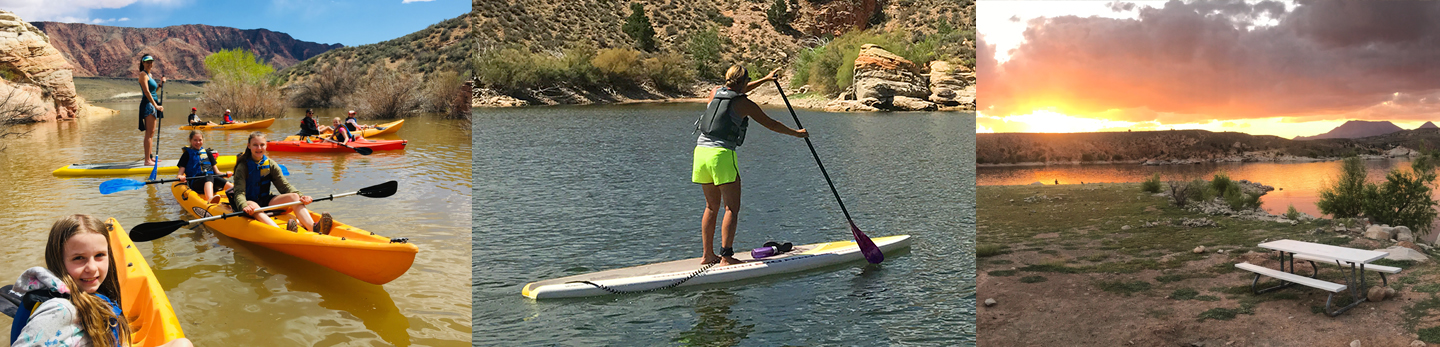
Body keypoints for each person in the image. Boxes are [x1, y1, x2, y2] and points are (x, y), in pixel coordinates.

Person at [10, 214, 193, 347]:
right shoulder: (60, 310)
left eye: (99, 255)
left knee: (182, 344)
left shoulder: (88, 294)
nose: (92, 268)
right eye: (78, 258)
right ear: (59, 260)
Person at [692, 65, 807, 266]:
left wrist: (766, 79)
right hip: (721, 155)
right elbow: (771, 124)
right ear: (744, 82)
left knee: (711, 206)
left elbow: (737, 89)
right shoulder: (745, 104)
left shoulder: (714, 93)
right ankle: (726, 257)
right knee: (731, 208)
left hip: (700, 153)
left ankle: (707, 256)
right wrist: (797, 133)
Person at [232, 132, 334, 234]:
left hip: (266, 201)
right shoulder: (242, 167)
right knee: (255, 207)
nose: (259, 148)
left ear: (266, 146)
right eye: (255, 145)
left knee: (294, 197)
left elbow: (284, 186)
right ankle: (280, 232)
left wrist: (301, 196)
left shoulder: (271, 164)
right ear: (249, 146)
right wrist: (243, 205)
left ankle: (313, 227)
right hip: (249, 203)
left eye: (262, 144)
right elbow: (239, 192)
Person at [177, 131, 233, 203]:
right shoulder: (186, 154)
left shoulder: (208, 153)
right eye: (195, 140)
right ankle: (210, 199)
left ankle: (238, 193)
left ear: (203, 140)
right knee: (209, 176)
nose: (198, 142)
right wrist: (180, 177)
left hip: (211, 182)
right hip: (196, 183)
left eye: (200, 140)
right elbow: (179, 174)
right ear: (190, 140)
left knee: (216, 178)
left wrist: (226, 174)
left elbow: (217, 172)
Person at [137, 54, 165, 166]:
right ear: (143, 63)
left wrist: (160, 85)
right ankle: (147, 160)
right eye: (147, 62)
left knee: (152, 133)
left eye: (151, 62)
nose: (150, 64)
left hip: (152, 103)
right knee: (149, 133)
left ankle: (150, 157)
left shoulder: (150, 75)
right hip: (148, 105)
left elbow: (153, 92)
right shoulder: (143, 75)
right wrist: (156, 106)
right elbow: (147, 93)